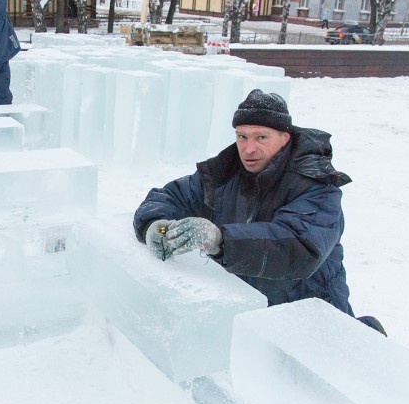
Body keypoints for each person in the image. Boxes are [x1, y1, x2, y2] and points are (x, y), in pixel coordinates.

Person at [132, 89, 386, 335]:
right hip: (251, 308)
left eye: (260, 137)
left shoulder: (318, 187)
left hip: (307, 307)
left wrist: (219, 239)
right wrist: (154, 223)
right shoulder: (223, 174)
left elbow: (297, 248)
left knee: (333, 369)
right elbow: (171, 196)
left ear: (284, 138)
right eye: (242, 137)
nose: (249, 148)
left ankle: (367, 337)